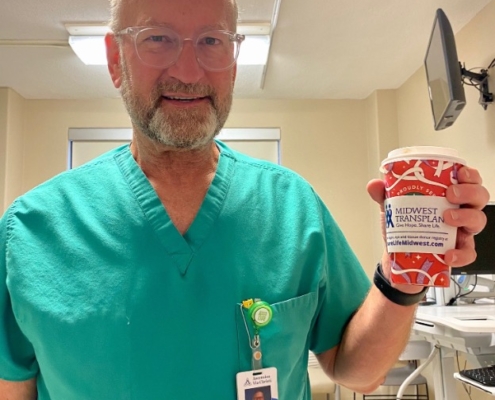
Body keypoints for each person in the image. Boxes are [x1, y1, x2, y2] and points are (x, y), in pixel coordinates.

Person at [0, 0, 489, 399]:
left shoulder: (293, 207)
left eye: (212, 41)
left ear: (234, 59)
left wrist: (404, 275)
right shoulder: (29, 232)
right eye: (157, 39)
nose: (189, 71)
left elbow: (355, 371)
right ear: (114, 59)